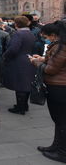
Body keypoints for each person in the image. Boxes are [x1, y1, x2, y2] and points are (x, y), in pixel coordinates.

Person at [30, 21, 66, 163]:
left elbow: (51, 69)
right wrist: (43, 59)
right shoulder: (60, 46)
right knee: (59, 120)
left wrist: (35, 62)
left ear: (55, 34)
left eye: (49, 35)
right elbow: (56, 62)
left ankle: (62, 153)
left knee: (61, 121)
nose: (47, 38)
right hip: (59, 86)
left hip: (59, 87)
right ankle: (56, 146)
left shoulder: (62, 47)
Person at [2, 16, 36, 115]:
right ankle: (24, 105)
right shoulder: (30, 33)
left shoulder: (18, 34)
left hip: (18, 61)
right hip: (28, 59)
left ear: (16, 24)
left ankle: (20, 107)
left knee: (19, 84)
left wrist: (5, 56)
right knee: (26, 83)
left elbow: (13, 49)